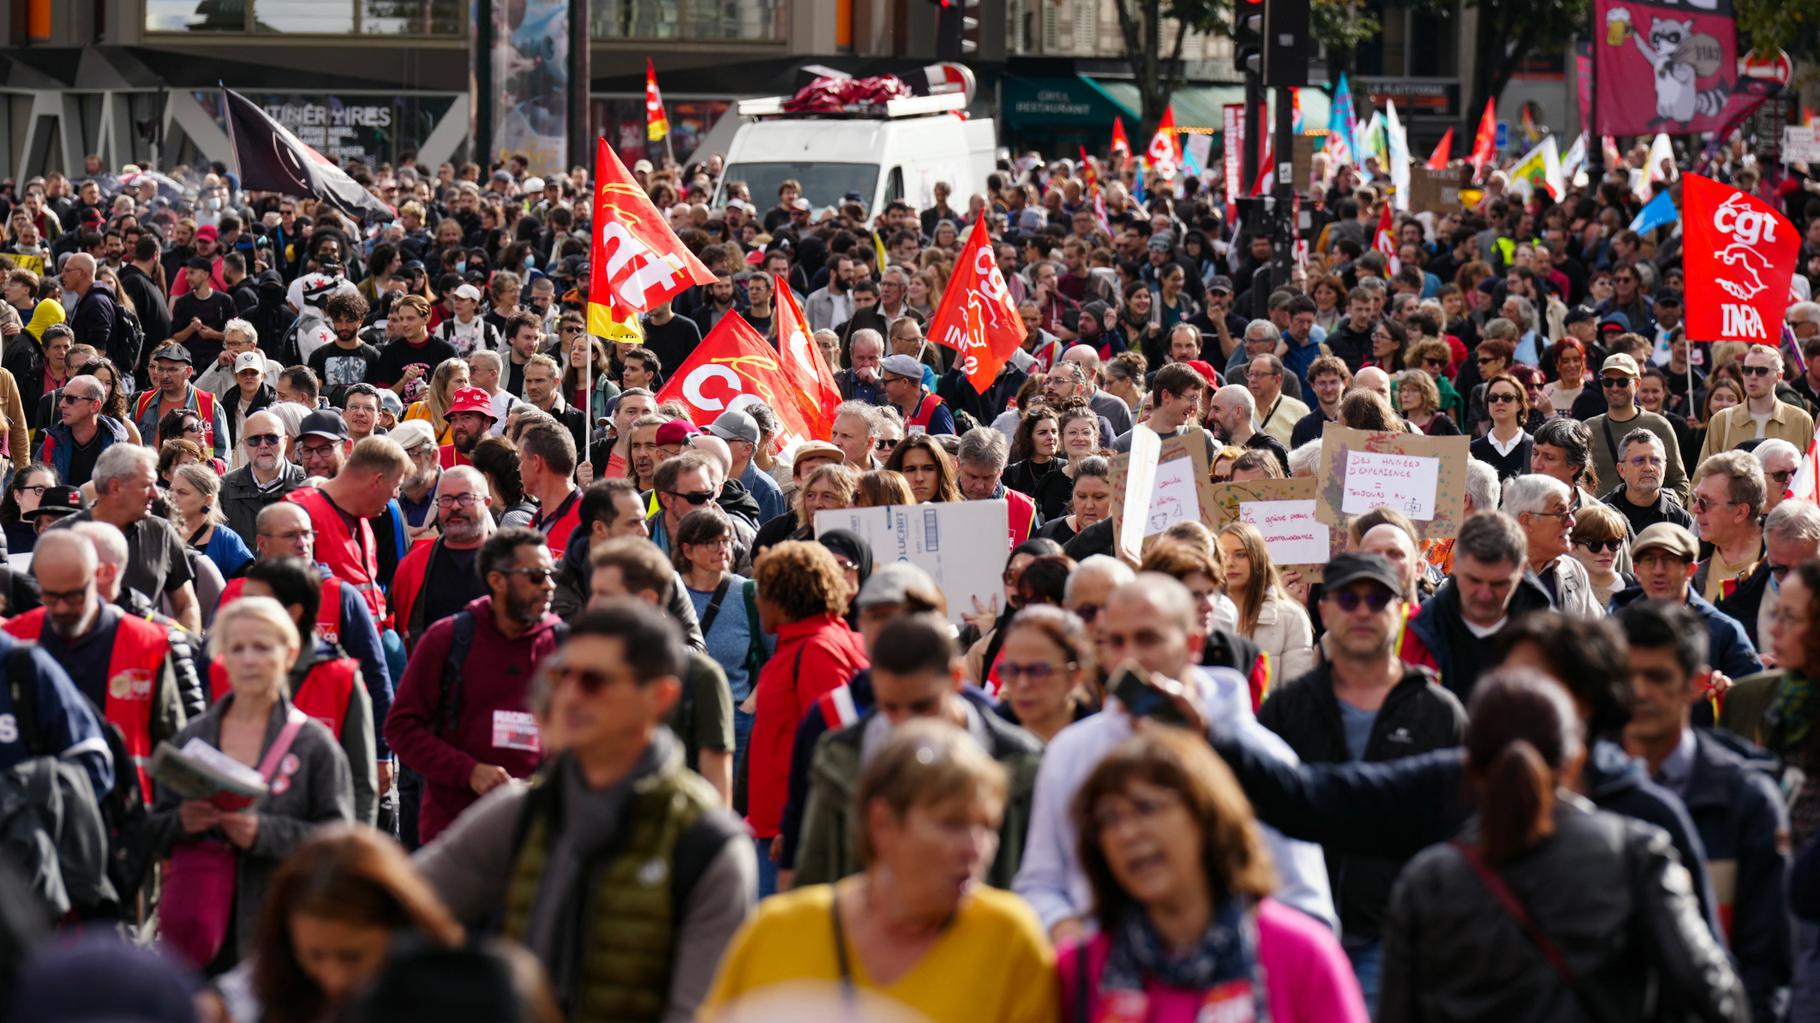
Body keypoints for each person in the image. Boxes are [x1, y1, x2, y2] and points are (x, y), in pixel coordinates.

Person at [416, 601, 753, 1023]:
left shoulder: (707, 842)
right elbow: (398, 905)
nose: (568, 695)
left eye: (594, 681)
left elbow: (696, 1012)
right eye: (561, 676)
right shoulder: (521, 811)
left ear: (659, 697)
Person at [1377, 667, 1748, 1023]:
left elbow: (1396, 1011)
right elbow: (1714, 992)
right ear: (1575, 761)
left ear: (1471, 768)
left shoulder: (1428, 880)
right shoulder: (1636, 851)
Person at [1015, 575, 1337, 942]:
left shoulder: (1259, 754)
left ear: (1193, 644)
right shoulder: (1070, 753)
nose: (1130, 657)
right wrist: (1070, 933)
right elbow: (1040, 883)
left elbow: (1305, 903)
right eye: (1115, 642)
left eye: (1147, 638)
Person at [704, 720, 1058, 1023]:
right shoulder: (777, 932)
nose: (977, 847)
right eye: (952, 824)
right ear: (882, 823)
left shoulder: (1010, 940)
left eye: (987, 826)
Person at [1258, 553, 1466, 1006]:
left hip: (1398, 928)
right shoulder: (1286, 711)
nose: (1363, 611)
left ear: (1400, 610)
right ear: (1325, 610)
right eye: (1349, 599)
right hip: (1303, 923)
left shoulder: (1438, 712)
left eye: (1377, 599)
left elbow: (1462, 830)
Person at [1059, 728, 1370, 1022]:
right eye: (1108, 818)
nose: (1126, 833)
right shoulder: (1080, 968)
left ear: (1206, 816)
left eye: (1146, 808)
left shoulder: (1299, 953)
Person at [146, 596, 355, 970]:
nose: (248, 659)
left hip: (283, 934)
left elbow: (337, 842)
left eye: (261, 647)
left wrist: (265, 833)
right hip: (202, 931)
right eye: (237, 648)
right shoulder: (193, 739)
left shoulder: (314, 745)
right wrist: (182, 823)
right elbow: (153, 829)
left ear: (288, 655)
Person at [1616, 600, 1790, 1019]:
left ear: (1694, 684)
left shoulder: (1747, 800)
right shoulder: (1583, 793)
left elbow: (1766, 959)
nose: (1640, 692)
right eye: (1627, 677)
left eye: (1657, 677)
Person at [793, 613, 1043, 888]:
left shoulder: (1023, 761)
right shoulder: (839, 756)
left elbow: (1040, 879)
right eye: (890, 707)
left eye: (922, 706)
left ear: (956, 679)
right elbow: (812, 876)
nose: (905, 722)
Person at [385, 527, 564, 845]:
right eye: (535, 576)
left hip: (538, 836)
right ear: (497, 581)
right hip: (455, 834)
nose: (549, 585)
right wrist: (468, 771)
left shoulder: (566, 646)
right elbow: (401, 728)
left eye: (551, 574)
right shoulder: (447, 638)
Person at [4, 527, 195, 801]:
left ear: (99, 578)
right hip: (34, 817)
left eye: (73, 596)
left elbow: (173, 740)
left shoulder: (149, 642)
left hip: (125, 815)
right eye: (50, 596)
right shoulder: (15, 638)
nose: (60, 608)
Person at [215, 826, 464, 1023]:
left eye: (352, 956)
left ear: (399, 925)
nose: (334, 979)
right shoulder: (272, 978)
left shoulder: (459, 997)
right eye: (314, 955)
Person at [745, 540, 869, 896]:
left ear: (784, 596)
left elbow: (837, 749)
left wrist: (798, 827)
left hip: (790, 840)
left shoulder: (817, 651)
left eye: (762, 591)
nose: (757, 601)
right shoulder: (815, 643)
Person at [589, 534, 738, 803]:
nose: (592, 606)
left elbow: (717, 789)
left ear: (647, 600)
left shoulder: (700, 676)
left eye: (604, 594)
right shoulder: (588, 672)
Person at [1403, 512, 1556, 700]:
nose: (1484, 594)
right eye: (1474, 580)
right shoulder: (1416, 632)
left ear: (1523, 569)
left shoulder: (1551, 642)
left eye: (1499, 584)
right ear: (1455, 564)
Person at [56, 444, 201, 631]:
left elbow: (186, 605)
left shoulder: (161, 532)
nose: (156, 494)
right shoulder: (62, 536)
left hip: (147, 655)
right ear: (115, 487)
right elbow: (38, 611)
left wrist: (186, 650)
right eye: (147, 485)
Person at [286, 435, 414, 627]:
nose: (396, 495)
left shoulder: (363, 517)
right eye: (396, 486)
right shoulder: (298, 512)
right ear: (377, 481)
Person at [674, 508, 769, 764]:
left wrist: (748, 708)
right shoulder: (669, 591)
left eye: (726, 540)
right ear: (687, 550)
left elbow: (776, 658)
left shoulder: (750, 594)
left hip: (734, 717)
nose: (722, 548)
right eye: (710, 542)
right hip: (680, 718)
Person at [1611, 522, 1764, 681]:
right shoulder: (1616, 627)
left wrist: (1728, 693)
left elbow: (1755, 696)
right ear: (1636, 570)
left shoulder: (1722, 631)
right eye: (1649, 560)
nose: (1658, 571)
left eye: (1669, 560)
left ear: (1691, 569)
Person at [390, 466, 495, 649]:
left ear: (487, 503)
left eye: (465, 498)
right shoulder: (413, 565)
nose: (455, 506)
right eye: (446, 499)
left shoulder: (514, 561)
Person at [1217, 522, 1315, 684]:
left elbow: (1295, 693)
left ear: (1258, 558)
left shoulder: (1291, 617)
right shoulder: (1206, 615)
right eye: (1223, 555)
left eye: (1240, 554)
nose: (1230, 563)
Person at [1586, 353, 1689, 505]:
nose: (1614, 388)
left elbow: (1680, 482)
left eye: (1622, 382)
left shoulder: (1660, 425)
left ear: (1637, 383)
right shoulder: (1588, 429)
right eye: (1608, 381)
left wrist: (1665, 511)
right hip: (1603, 523)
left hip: (1650, 524)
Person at [992, 604, 1095, 744]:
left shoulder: (1104, 747)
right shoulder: (984, 742)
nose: (1023, 684)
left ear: (1075, 675)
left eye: (1038, 671)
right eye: (1013, 670)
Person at [1501, 475, 1602, 617]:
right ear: (1527, 520)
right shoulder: (1489, 573)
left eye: (1570, 512)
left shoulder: (1573, 570)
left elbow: (1595, 631)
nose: (1571, 522)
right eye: (1560, 512)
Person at [1698, 342, 1816, 464]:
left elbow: (1812, 476)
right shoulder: (1721, 420)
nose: (1753, 376)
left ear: (1779, 376)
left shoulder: (1801, 420)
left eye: (1761, 371)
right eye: (1747, 370)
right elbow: (1703, 477)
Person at [220, 409, 306, 548]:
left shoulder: (309, 485)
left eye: (271, 438)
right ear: (244, 445)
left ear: (285, 441)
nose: (263, 445)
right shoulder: (224, 488)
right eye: (254, 440)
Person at [133, 342, 229, 460]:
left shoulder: (209, 404)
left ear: (188, 372)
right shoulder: (142, 402)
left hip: (194, 476)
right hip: (152, 476)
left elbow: (223, 457)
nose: (164, 375)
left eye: (172, 370)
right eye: (161, 369)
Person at [36, 372, 128, 488]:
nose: (62, 404)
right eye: (62, 397)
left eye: (71, 399)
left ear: (94, 405)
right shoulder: (52, 442)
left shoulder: (118, 444)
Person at [169, 462, 254, 581]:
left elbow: (244, 588)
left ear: (207, 500)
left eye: (182, 492)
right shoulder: (161, 532)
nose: (172, 496)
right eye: (171, 490)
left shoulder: (226, 540)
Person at [1603, 427, 1694, 536]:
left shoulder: (1681, 520)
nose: (1648, 468)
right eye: (1638, 461)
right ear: (1621, 470)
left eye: (1655, 460)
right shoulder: (1601, 513)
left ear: (1664, 468)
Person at [957, 426, 1039, 546]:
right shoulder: (938, 502)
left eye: (987, 478)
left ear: (1001, 471)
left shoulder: (1024, 509)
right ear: (958, 464)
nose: (979, 486)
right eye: (973, 477)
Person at [1468, 373, 1533, 481]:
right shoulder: (1472, 450)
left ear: (1519, 405)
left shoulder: (1535, 447)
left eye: (1506, 397)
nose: (1499, 402)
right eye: (1493, 398)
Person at [1036, 455, 1111, 545]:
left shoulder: (1126, 540)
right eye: (1082, 496)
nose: (1089, 505)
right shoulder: (1048, 534)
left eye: (1099, 497)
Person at [1568, 501, 1630, 608]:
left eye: (1613, 543)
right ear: (1573, 547)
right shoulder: (1563, 593)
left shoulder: (1640, 589)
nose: (1605, 551)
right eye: (1594, 544)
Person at [881, 352, 954, 435]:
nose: (882, 386)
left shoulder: (937, 411)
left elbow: (948, 447)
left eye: (885, 382)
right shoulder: (895, 408)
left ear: (905, 382)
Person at [883, 433, 963, 504]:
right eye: (911, 470)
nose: (919, 478)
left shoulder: (959, 514)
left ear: (941, 472)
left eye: (928, 469)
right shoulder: (880, 515)